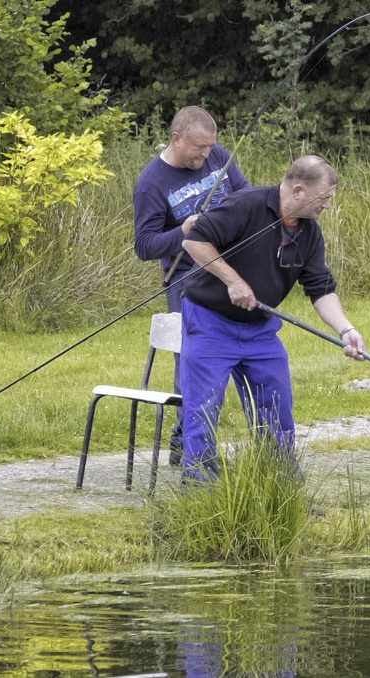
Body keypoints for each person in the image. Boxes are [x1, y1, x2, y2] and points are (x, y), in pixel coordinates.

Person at [178, 156, 364, 481]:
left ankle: (280, 487)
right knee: (202, 411)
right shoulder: (246, 205)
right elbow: (194, 241)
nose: (329, 206)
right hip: (210, 323)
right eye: (324, 198)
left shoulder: (309, 234)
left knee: (276, 408)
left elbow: (320, 289)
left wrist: (345, 329)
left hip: (260, 330)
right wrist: (232, 280)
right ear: (297, 191)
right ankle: (199, 490)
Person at [133, 106, 249, 463]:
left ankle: (200, 442)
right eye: (199, 147)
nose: (206, 154)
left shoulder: (219, 157)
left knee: (242, 353)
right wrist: (183, 231)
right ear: (176, 139)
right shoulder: (152, 183)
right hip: (187, 280)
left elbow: (245, 196)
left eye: (210, 147)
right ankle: (189, 445)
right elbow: (145, 245)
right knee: (197, 362)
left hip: (233, 268)